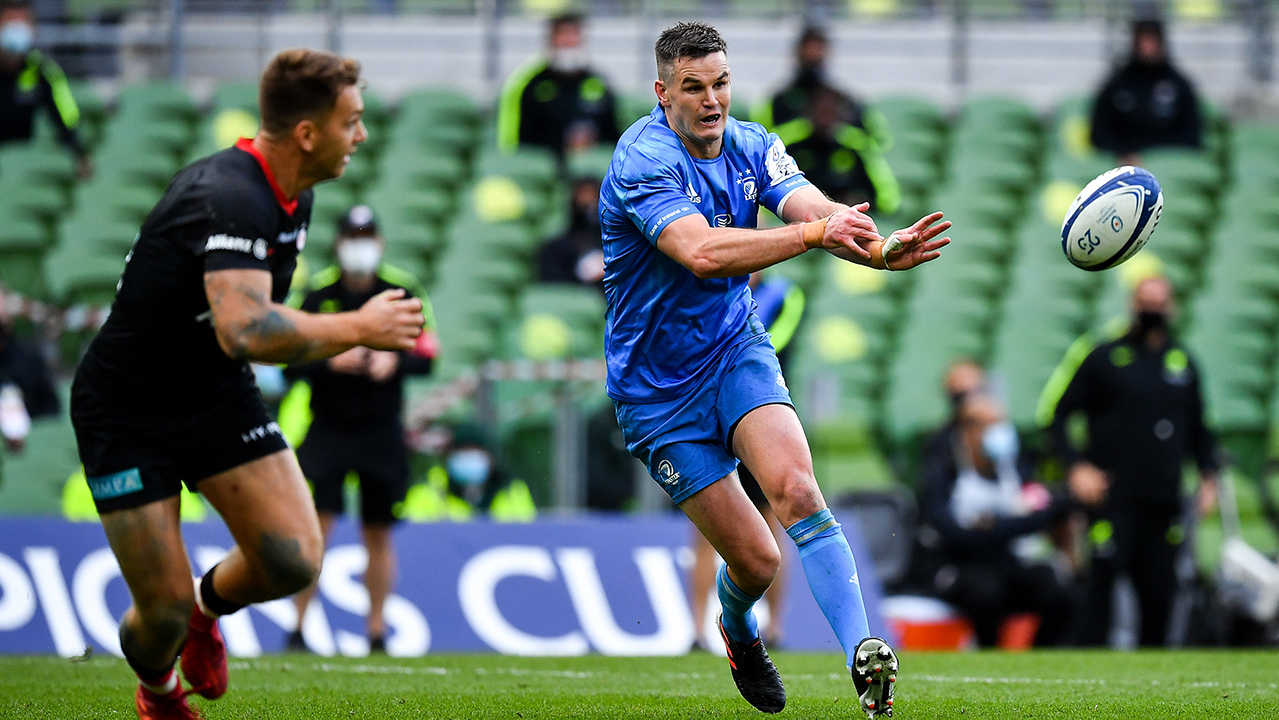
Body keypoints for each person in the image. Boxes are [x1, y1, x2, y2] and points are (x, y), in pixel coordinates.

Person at [600, 21, 950, 716]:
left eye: (721, 84)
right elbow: (700, 252)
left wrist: (873, 249)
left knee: (796, 488)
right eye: (693, 87)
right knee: (756, 562)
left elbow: (814, 209)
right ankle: (734, 627)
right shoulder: (642, 159)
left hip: (734, 351)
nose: (710, 101)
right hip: (656, 393)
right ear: (662, 92)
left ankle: (862, 655)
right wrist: (812, 234)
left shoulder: (755, 144)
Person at [69, 49, 425, 719]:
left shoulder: (296, 192)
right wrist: (359, 326)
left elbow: (234, 340)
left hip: (212, 395)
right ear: (307, 133)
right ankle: (159, 691)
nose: (363, 135)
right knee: (160, 611)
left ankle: (208, 612)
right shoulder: (230, 194)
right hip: (126, 412)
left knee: (293, 559)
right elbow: (246, 330)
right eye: (352, 121)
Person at [284, 205, 437, 654]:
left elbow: (428, 355)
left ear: (380, 242)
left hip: (380, 427)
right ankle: (297, 626)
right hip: (328, 425)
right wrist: (330, 359)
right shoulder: (317, 294)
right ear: (339, 242)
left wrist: (394, 361)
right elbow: (287, 359)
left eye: (367, 234)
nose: (360, 243)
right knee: (318, 527)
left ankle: (376, 630)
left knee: (378, 531)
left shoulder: (401, 290)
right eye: (353, 235)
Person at [1039, 275, 1218, 647]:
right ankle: (1087, 677)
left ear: (1172, 308)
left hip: (1163, 500)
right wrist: (1076, 466)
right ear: (1132, 305)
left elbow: (1199, 427)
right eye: (1145, 301)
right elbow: (1057, 416)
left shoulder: (1183, 363)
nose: (1153, 310)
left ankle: (1153, 687)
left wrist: (1208, 476)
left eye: (1160, 302)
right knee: (1099, 589)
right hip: (1111, 498)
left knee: (1159, 594)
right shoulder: (1104, 356)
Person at [688, 271, 805, 649]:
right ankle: (696, 630)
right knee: (704, 530)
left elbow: (766, 343)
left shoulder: (785, 295)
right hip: (708, 412)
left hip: (758, 414)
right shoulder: (710, 291)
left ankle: (776, 629)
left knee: (772, 522)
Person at [918, 390, 1074, 648]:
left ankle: (1040, 657)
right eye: (991, 425)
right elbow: (951, 532)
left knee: (1056, 592)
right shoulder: (944, 469)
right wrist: (1008, 527)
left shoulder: (1015, 466)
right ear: (968, 431)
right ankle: (988, 655)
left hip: (1005, 561)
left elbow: (1043, 514)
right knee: (987, 593)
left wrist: (992, 527)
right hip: (959, 566)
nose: (1000, 431)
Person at [759, 28, 898, 214]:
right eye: (808, 48)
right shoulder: (778, 102)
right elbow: (762, 145)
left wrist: (842, 134)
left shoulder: (846, 100)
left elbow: (879, 141)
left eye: (818, 48)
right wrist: (805, 129)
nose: (813, 54)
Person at [496, 12, 621, 157]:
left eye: (574, 35)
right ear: (550, 40)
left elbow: (614, 135)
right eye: (562, 35)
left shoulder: (597, 83)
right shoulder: (527, 83)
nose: (568, 42)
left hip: (589, 168)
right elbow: (513, 141)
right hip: (542, 163)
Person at [1090, 19, 1202, 165]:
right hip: (1125, 159)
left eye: (1152, 41)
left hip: (1168, 161)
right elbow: (1100, 134)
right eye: (1143, 41)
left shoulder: (1178, 85)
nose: (1148, 48)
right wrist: (1124, 152)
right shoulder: (1117, 85)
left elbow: (1191, 135)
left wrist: (1155, 156)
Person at [0, 0, 90, 178]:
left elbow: (67, 118)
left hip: (19, 164)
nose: (17, 30)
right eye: (11, 23)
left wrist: (78, 154)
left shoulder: (43, 70)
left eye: (23, 23)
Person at [537, 175, 605, 290]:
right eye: (582, 195)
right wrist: (584, 273)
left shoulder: (621, 247)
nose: (587, 201)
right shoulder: (555, 249)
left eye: (593, 195)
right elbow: (553, 285)